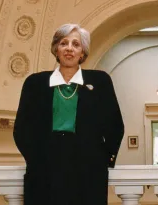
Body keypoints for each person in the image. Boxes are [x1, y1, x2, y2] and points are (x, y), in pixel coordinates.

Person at [13, 23, 124, 205]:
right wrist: (36, 160)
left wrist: (101, 160)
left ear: (83, 52)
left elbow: (115, 126)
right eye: (64, 43)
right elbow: (22, 130)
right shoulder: (34, 83)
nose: (69, 49)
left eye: (76, 44)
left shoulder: (101, 81)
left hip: (89, 173)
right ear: (56, 49)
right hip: (44, 173)